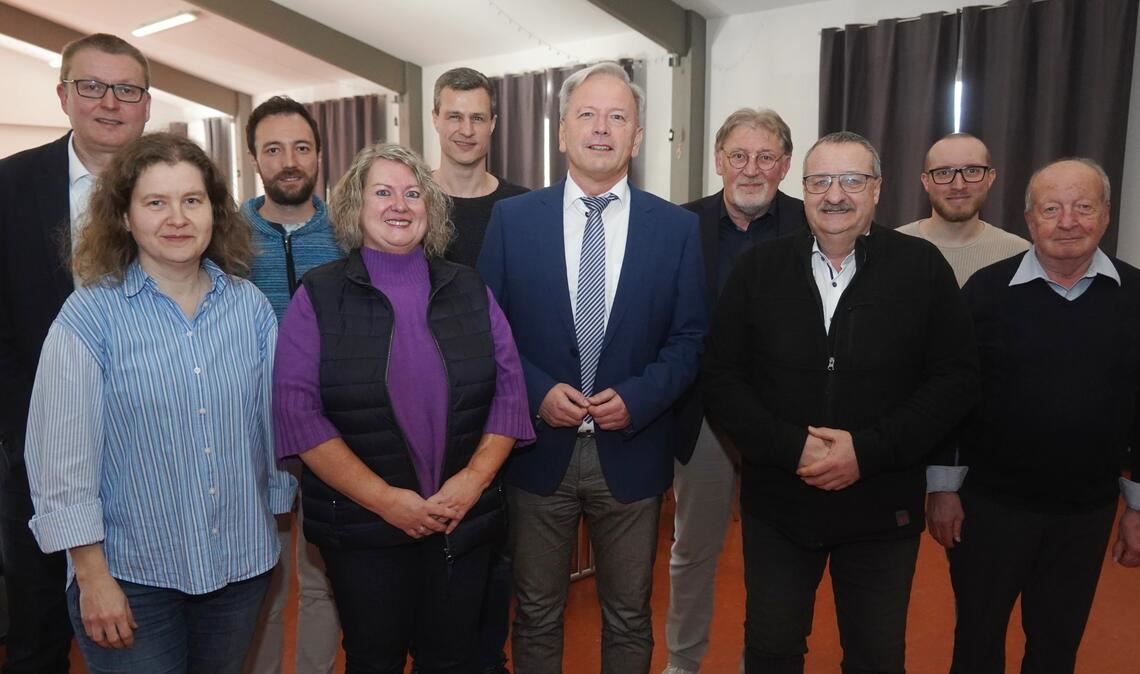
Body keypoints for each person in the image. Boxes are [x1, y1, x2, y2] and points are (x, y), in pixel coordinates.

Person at [702, 131, 978, 674]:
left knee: (876, 654)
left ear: (877, 190)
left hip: (881, 502)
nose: (835, 195)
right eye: (820, 181)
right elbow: (721, 377)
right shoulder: (758, 268)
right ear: (802, 190)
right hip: (779, 501)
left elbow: (955, 380)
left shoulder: (921, 268)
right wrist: (791, 447)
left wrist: (867, 452)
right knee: (772, 646)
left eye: (852, 180)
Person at [24, 133, 296, 674]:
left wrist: (279, 500)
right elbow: (59, 459)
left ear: (215, 212)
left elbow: (274, 425)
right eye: (155, 202)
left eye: (192, 201)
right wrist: (92, 576)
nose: (177, 218)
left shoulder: (250, 309)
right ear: (124, 217)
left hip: (239, 567)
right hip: (128, 577)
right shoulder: (89, 317)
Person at [478, 61, 707, 674]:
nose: (601, 129)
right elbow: (489, 332)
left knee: (629, 617)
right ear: (561, 131)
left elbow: (689, 339)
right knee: (536, 614)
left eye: (617, 117)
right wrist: (534, 391)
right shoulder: (513, 221)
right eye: (587, 114)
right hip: (535, 452)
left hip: (632, 451)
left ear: (636, 137)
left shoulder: (679, 230)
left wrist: (639, 397)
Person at [273, 143, 534, 674]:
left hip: (460, 521)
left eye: (414, 193)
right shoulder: (318, 296)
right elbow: (299, 415)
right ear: (355, 208)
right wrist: (388, 501)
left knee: (453, 660)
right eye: (384, 192)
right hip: (365, 529)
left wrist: (472, 482)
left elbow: (509, 393)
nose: (401, 204)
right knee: (374, 660)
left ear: (431, 209)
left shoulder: (468, 287)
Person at [928, 158, 1140, 674]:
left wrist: (1137, 505)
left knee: (1056, 645)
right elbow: (949, 396)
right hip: (989, 507)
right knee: (976, 640)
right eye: (1052, 209)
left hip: (1085, 511)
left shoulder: (1135, 296)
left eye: (1083, 207)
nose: (1068, 221)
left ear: (1106, 215)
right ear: (1029, 220)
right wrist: (942, 486)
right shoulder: (984, 292)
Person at [0, 32, 151, 674]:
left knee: (147, 621)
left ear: (146, 104)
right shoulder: (9, 185)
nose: (109, 103)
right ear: (63, 95)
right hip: (34, 447)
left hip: (149, 443)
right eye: (91, 86)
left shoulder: (175, 184)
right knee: (36, 628)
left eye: (126, 89)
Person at [664, 107, 805, 674]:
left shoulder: (813, 221)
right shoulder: (678, 225)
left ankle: (764, 662)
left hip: (787, 419)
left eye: (766, 156)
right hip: (702, 417)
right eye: (739, 156)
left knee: (777, 554)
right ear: (719, 161)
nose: (752, 169)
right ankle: (682, 662)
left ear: (785, 165)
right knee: (692, 550)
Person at [240, 95, 342, 674]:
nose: (289, 161)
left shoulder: (350, 232)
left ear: (320, 156)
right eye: (273, 149)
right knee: (264, 582)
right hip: (252, 439)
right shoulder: (223, 235)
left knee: (322, 580)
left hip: (332, 437)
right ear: (255, 158)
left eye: (301, 147)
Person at [897, 133, 1029, 286]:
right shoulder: (889, 249)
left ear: (990, 178)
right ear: (926, 182)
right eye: (944, 173)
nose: (959, 186)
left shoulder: (1018, 252)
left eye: (972, 171)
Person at [431, 67, 528, 268]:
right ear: (435, 119)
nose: (467, 130)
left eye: (477, 118)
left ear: (492, 124)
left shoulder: (521, 205)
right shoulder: (410, 201)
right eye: (455, 117)